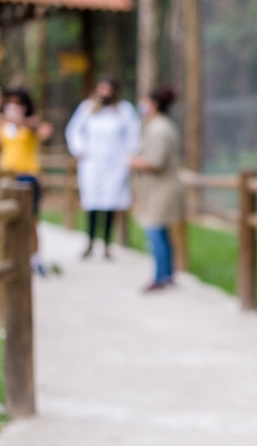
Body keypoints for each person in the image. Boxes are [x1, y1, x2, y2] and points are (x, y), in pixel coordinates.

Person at [65, 78, 140, 259]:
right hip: (92, 163)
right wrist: (79, 150)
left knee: (110, 204)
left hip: (114, 164)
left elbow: (133, 134)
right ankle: (90, 241)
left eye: (108, 88)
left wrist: (129, 155)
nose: (105, 92)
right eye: (102, 88)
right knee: (92, 203)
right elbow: (74, 130)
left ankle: (107, 244)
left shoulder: (124, 110)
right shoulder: (87, 108)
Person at [129, 85, 185, 293]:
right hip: (158, 190)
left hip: (161, 190)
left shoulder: (159, 128)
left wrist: (134, 161)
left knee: (156, 233)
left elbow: (155, 161)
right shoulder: (160, 125)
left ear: (153, 104)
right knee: (162, 234)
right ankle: (167, 275)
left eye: (145, 102)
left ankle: (161, 277)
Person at [0, 87, 54, 276]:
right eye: (11, 103)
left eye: (18, 104)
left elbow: (44, 131)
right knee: (6, 220)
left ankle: (35, 259)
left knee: (31, 221)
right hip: (6, 177)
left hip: (28, 177)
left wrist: (21, 121)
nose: (13, 107)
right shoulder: (3, 127)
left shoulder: (31, 125)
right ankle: (11, 258)